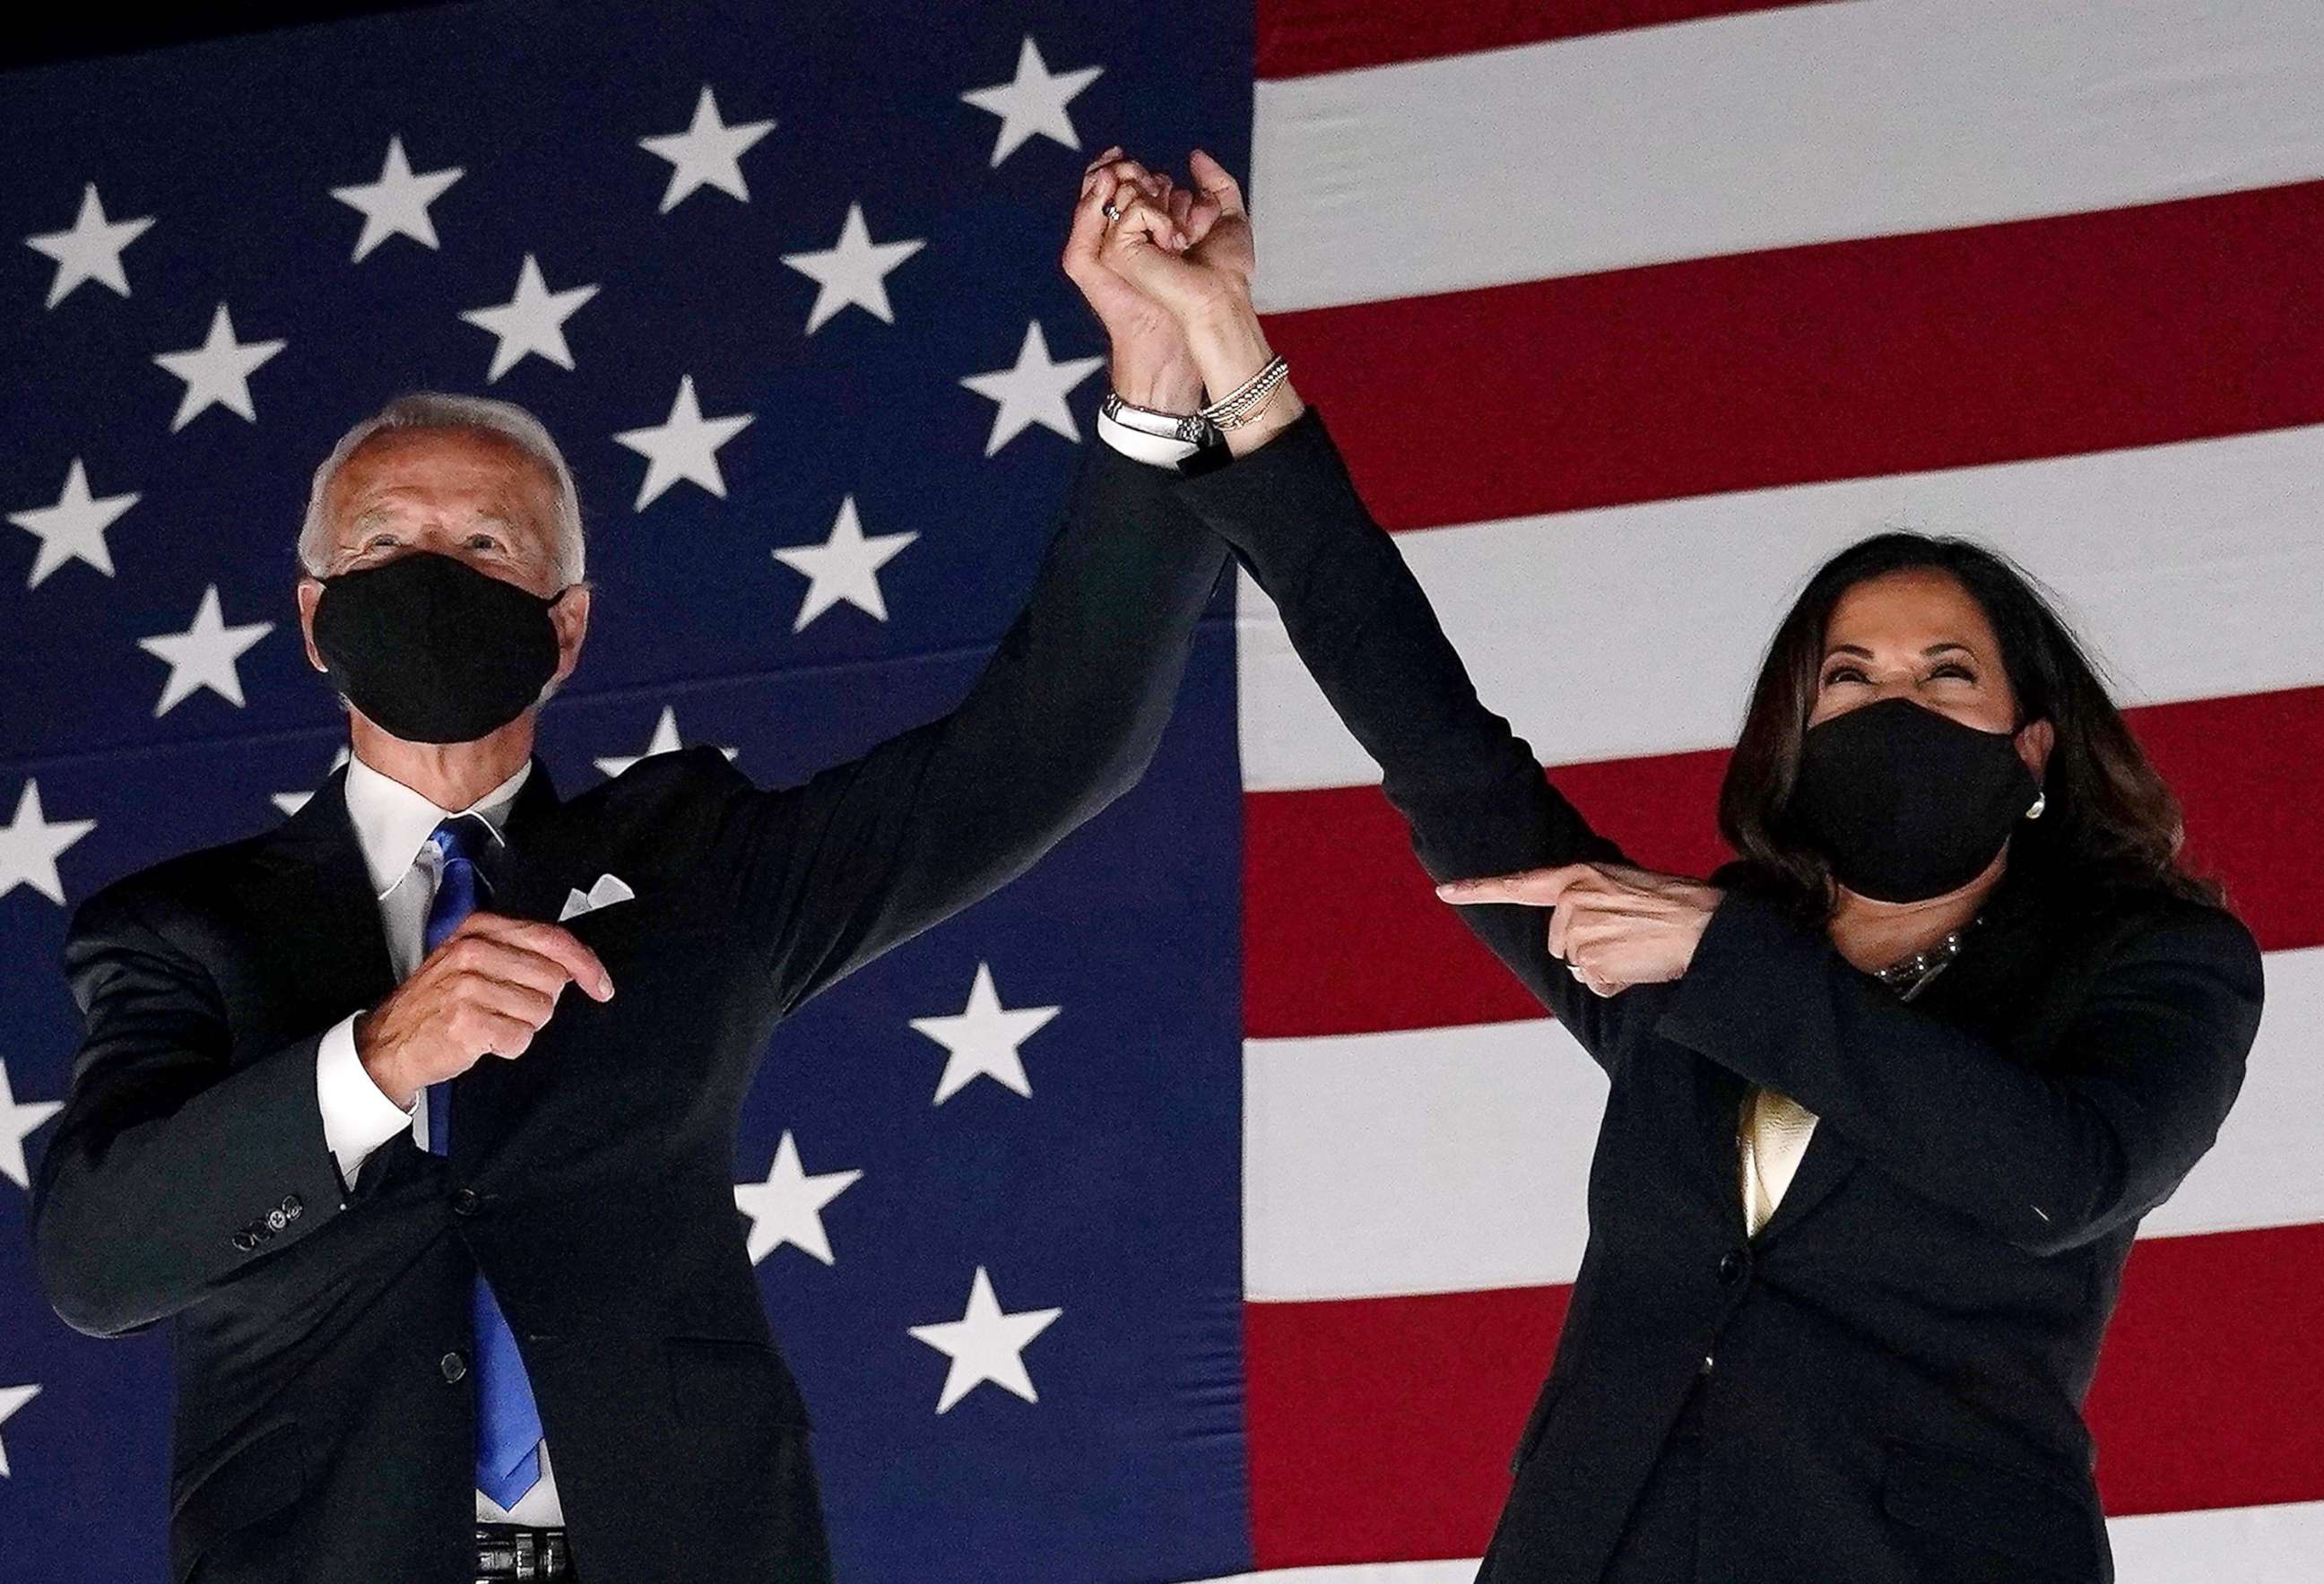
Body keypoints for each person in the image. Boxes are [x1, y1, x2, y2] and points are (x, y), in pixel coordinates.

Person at [30, 154, 1223, 1584]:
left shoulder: (696, 862)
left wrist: (1157, 383)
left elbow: (1057, 748)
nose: (433, 574)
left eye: (483, 546)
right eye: (387, 544)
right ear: (312, 617)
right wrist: (376, 1058)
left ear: (569, 625)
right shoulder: (179, 931)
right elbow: (98, 1263)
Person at [1088, 153, 2268, 1581]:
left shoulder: (2148, 961)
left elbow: (2060, 1179)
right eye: (1849, 677)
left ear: (2033, 748)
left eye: (1944, 675)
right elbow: (1443, 752)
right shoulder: (1688, 960)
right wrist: (1236, 363)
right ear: (1796, 730)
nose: (1891, 703)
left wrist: (1726, 961)